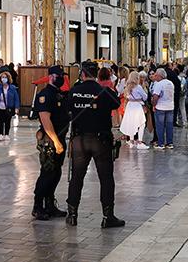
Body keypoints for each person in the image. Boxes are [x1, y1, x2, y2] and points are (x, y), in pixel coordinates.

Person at [65, 61, 124, 228]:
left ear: (82, 74)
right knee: (106, 178)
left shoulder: (74, 91)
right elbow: (116, 103)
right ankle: (108, 216)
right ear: (97, 75)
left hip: (79, 140)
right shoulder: (104, 91)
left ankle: (72, 214)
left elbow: (67, 110)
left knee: (76, 177)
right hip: (101, 140)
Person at [32, 66, 69, 221]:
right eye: (58, 76)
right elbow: (46, 121)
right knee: (47, 174)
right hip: (50, 142)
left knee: (56, 173)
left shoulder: (60, 94)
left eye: (63, 76)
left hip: (60, 138)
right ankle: (38, 206)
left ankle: (49, 204)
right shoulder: (45, 95)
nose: (61, 78)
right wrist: (56, 141)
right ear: (51, 77)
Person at [120, 71, 149, 149]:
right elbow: (145, 97)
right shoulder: (138, 87)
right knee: (142, 123)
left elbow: (125, 96)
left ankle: (131, 141)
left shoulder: (127, 86)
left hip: (130, 106)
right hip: (137, 106)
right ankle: (139, 142)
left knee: (131, 123)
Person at [150, 67, 176, 149]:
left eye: (156, 75)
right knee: (169, 126)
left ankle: (160, 143)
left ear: (159, 76)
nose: (155, 76)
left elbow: (155, 96)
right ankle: (170, 143)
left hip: (161, 107)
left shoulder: (159, 84)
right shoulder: (170, 83)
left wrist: (154, 105)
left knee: (160, 126)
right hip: (170, 106)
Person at [0, 70, 20, 141]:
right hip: (0, 107)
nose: (4, 79)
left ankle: (7, 134)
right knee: (0, 121)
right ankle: (1, 134)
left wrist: (17, 107)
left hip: (9, 107)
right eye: (2, 77)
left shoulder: (12, 88)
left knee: (7, 121)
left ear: (8, 78)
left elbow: (16, 98)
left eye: (5, 77)